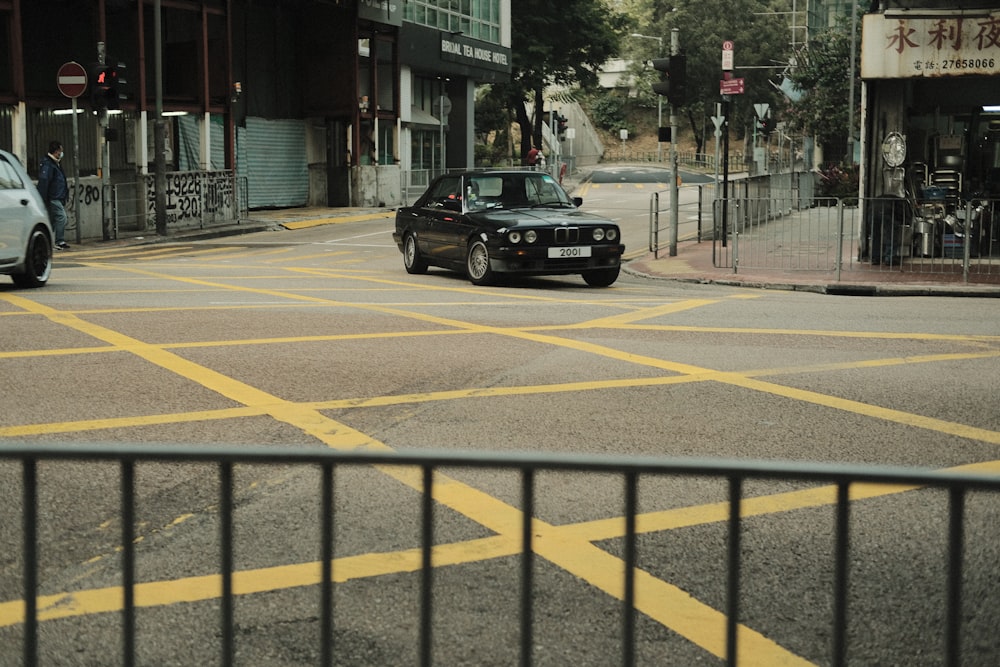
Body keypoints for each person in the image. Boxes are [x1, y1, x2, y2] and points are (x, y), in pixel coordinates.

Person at [37, 140, 70, 250]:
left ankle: (49, 242)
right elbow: (44, 182)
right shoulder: (48, 164)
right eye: (60, 151)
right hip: (53, 197)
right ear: (56, 151)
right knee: (62, 218)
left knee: (52, 220)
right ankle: (59, 241)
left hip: (57, 196)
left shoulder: (55, 163)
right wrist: (43, 199)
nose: (61, 153)